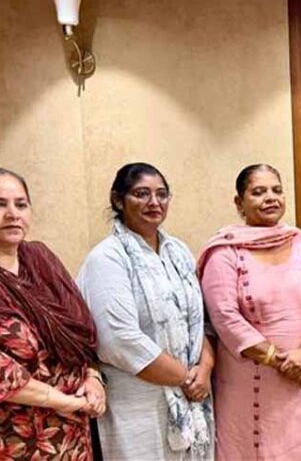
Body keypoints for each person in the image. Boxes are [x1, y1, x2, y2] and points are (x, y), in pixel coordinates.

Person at [77, 163, 214, 460]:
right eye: (141, 194)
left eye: (162, 194)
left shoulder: (178, 251)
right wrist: (184, 378)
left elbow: (196, 320)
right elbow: (118, 340)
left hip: (192, 395)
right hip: (139, 403)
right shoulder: (107, 258)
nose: (154, 202)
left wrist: (205, 367)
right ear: (118, 200)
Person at [197, 164, 301, 461]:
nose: (270, 197)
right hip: (250, 379)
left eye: (276, 190)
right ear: (239, 202)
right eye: (258, 192)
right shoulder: (224, 251)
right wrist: (280, 360)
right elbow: (225, 317)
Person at [0, 168, 104, 460]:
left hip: (74, 431)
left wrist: (93, 378)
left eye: (21, 204)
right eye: (0, 204)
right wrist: (60, 401)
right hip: (17, 438)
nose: (12, 214)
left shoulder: (41, 259)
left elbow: (80, 331)